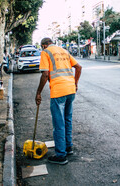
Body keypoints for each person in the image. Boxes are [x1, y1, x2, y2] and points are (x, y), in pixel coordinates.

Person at [35, 37, 82, 165]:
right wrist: (75, 83)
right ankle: (68, 147)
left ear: (44, 45)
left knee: (59, 123)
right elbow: (78, 67)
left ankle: (61, 155)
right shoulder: (64, 50)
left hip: (59, 92)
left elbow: (45, 74)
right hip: (70, 90)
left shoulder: (46, 52)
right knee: (67, 119)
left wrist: (38, 92)